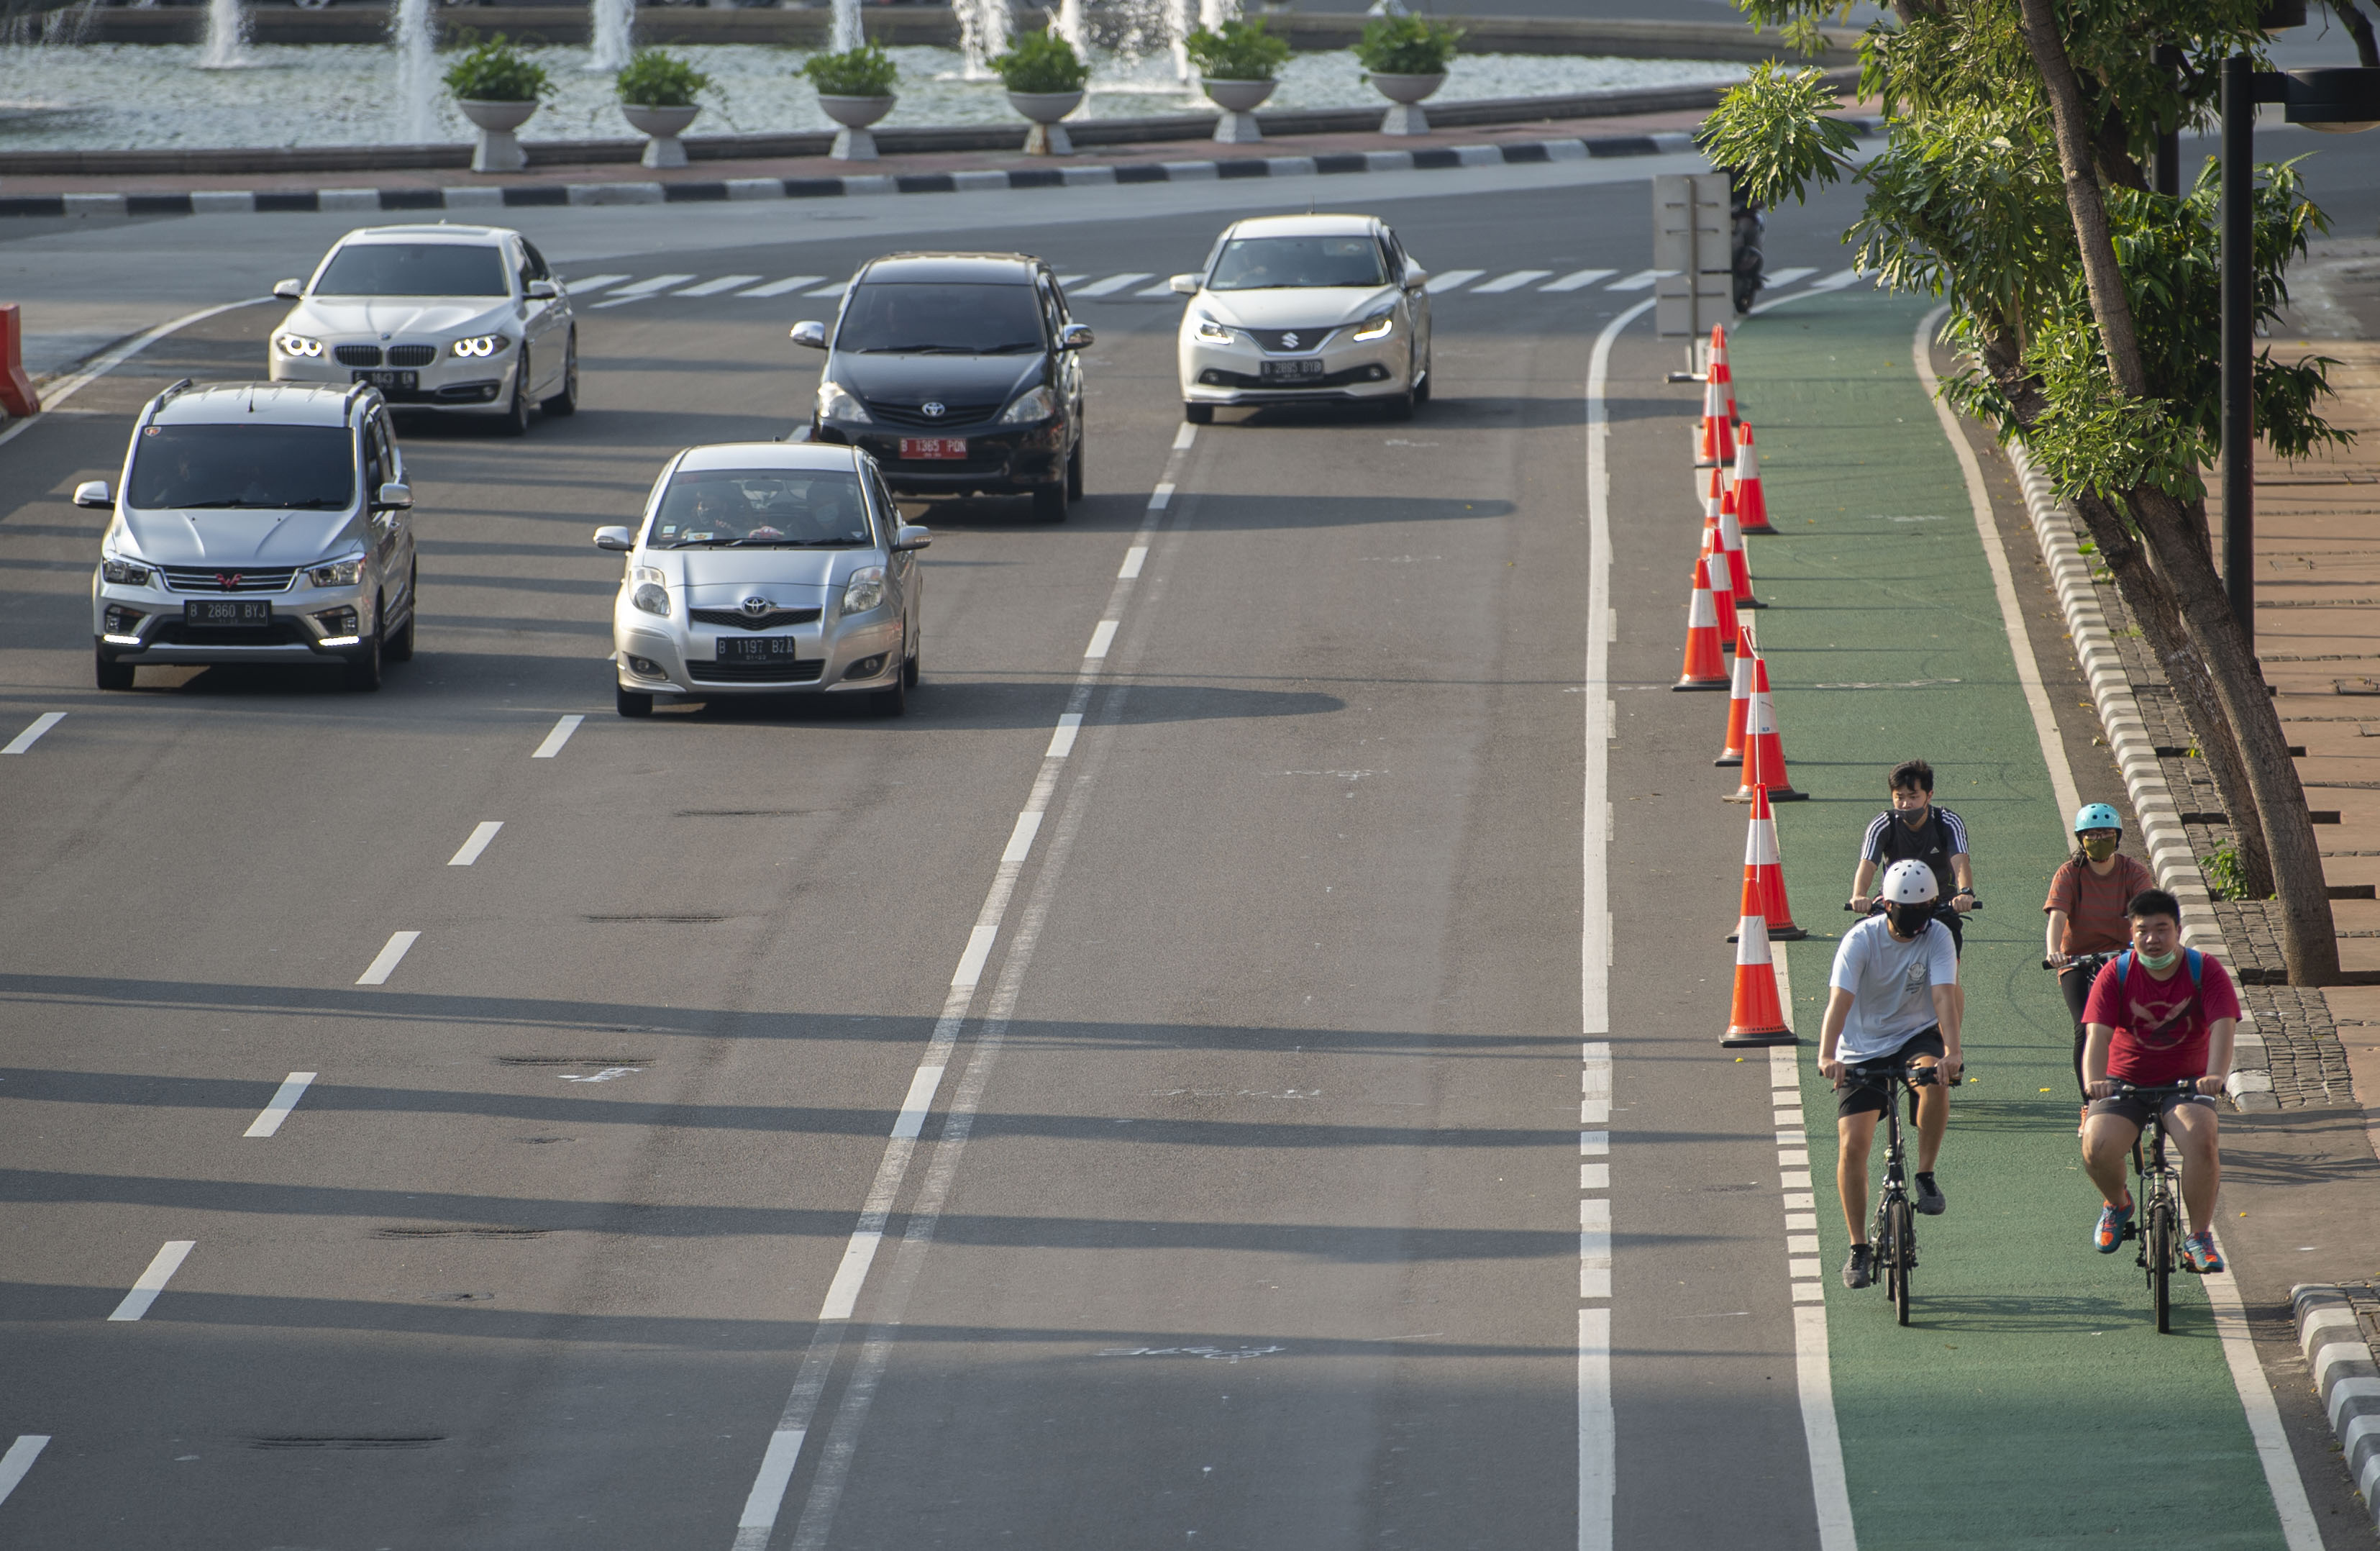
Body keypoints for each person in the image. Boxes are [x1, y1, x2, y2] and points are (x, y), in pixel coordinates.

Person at [1818, 858, 1964, 1289]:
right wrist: (1829, 1055)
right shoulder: (1860, 940)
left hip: (1914, 1035)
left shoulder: (1938, 935)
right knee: (1853, 1145)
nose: (1915, 923)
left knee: (1933, 1080)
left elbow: (1943, 997)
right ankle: (1858, 1247)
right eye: (1907, 913)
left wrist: (1952, 1052)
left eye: (1924, 912)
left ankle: (1924, 1174)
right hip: (1861, 1045)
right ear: (1886, 906)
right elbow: (1839, 1003)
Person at [2079, 888, 2238, 1273]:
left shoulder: (2205, 970)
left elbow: (2223, 1026)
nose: (2152, 939)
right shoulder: (2115, 973)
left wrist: (2215, 1075)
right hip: (2124, 1083)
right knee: (2095, 1146)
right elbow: (2096, 1036)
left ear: (2179, 930)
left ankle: (2198, 1236)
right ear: (2131, 934)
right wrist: (2094, 1081)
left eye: (2162, 929)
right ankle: (2118, 1204)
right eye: (2142, 930)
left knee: (2202, 1139)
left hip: (2186, 1085)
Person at [1848, 758, 1977, 1032]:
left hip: (1940, 907)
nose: (1906, 804)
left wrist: (1965, 893)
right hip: (1894, 907)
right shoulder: (1883, 824)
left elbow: (1960, 861)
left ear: (1929, 795)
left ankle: (1949, 1042)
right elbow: (1868, 863)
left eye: (1913, 797)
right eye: (1899, 797)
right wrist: (1859, 895)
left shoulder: (1946, 821)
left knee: (1949, 980)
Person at [2044, 802, 2156, 1105]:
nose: (2099, 840)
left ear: (2118, 837)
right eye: (2091, 835)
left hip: (2123, 956)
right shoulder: (2070, 873)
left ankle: (2148, 1090)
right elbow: (2057, 917)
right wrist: (2054, 952)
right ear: (2081, 839)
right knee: (2085, 1026)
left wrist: (2149, 945)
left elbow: (2147, 912)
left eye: (2106, 833)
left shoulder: (2132, 871)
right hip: (2078, 960)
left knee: (2142, 1018)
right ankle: (2089, 1102)